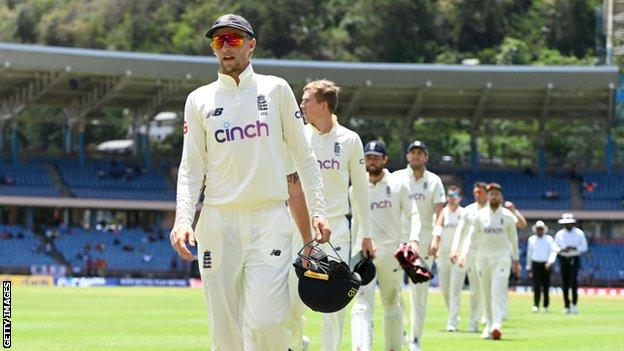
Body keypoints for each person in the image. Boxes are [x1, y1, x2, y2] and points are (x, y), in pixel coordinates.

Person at [169, 14, 332, 351]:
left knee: (269, 323)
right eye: (219, 40)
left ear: (251, 44)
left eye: (234, 39)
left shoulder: (276, 89)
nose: (226, 46)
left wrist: (318, 210)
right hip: (217, 222)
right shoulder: (198, 99)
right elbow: (191, 168)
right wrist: (183, 220)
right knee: (225, 332)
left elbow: (304, 157)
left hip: (269, 219)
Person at [298, 79, 376, 351]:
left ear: (324, 105)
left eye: (307, 100)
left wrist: (366, 234)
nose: (302, 104)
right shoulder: (298, 134)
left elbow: (361, 191)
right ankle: (297, 342)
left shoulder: (350, 139)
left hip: (337, 232)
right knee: (288, 298)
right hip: (296, 228)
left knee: (333, 303)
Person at [350, 140, 421, 351]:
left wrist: (414, 240)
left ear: (385, 159)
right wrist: (350, 252)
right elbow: (355, 221)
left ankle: (393, 347)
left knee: (391, 302)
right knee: (362, 303)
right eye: (368, 157)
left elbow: (414, 213)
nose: (372, 161)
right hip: (363, 253)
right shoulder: (356, 187)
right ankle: (361, 347)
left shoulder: (399, 184)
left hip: (391, 252)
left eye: (376, 157)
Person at [393, 140, 445, 351]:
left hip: (423, 242)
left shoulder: (434, 181)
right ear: (407, 156)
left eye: (420, 153)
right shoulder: (396, 178)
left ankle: (415, 339)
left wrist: (436, 238)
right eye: (412, 152)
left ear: (426, 157)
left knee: (420, 293)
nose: (416, 156)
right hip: (398, 239)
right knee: (394, 289)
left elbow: (440, 212)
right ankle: (400, 331)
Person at [459, 183, 519, 341]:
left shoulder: (507, 216)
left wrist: (516, 260)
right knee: (486, 293)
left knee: (497, 291)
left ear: (501, 197)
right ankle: (489, 325)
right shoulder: (479, 216)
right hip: (483, 258)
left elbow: (514, 239)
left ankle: (496, 325)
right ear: (488, 196)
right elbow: (472, 238)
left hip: (502, 258)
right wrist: (464, 255)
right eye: (491, 194)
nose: (494, 197)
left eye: (497, 195)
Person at [449, 181, 487, 332]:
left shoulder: (490, 212)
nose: (477, 195)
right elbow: (460, 232)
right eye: (475, 192)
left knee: (476, 291)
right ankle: (452, 322)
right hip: (463, 254)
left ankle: (474, 323)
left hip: (481, 255)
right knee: (454, 289)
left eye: (480, 192)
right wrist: (454, 250)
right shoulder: (468, 210)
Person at [430, 185, 465, 332]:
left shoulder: (464, 213)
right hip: (443, 254)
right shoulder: (443, 212)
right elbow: (437, 228)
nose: (452, 197)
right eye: (450, 195)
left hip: (458, 255)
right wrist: (435, 245)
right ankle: (453, 313)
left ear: (460, 197)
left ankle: (452, 322)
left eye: (455, 195)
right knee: (445, 289)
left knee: (455, 289)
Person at [554, 213, 588, 314]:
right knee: (564, 282)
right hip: (563, 258)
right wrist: (561, 249)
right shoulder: (559, 234)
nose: (567, 225)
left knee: (573, 281)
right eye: (566, 223)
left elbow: (584, 247)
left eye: (569, 223)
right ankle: (566, 305)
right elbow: (554, 246)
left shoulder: (579, 233)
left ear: (572, 223)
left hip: (574, 258)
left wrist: (574, 248)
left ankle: (574, 304)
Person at [526, 220, 557, 313]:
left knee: (546, 286)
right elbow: (529, 254)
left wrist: (550, 262)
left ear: (544, 230)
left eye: (541, 229)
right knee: (536, 286)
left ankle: (546, 305)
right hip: (535, 264)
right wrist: (529, 268)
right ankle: (536, 305)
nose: (539, 230)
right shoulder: (531, 239)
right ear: (535, 229)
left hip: (546, 264)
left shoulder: (549, 239)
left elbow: (553, 252)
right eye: (538, 229)